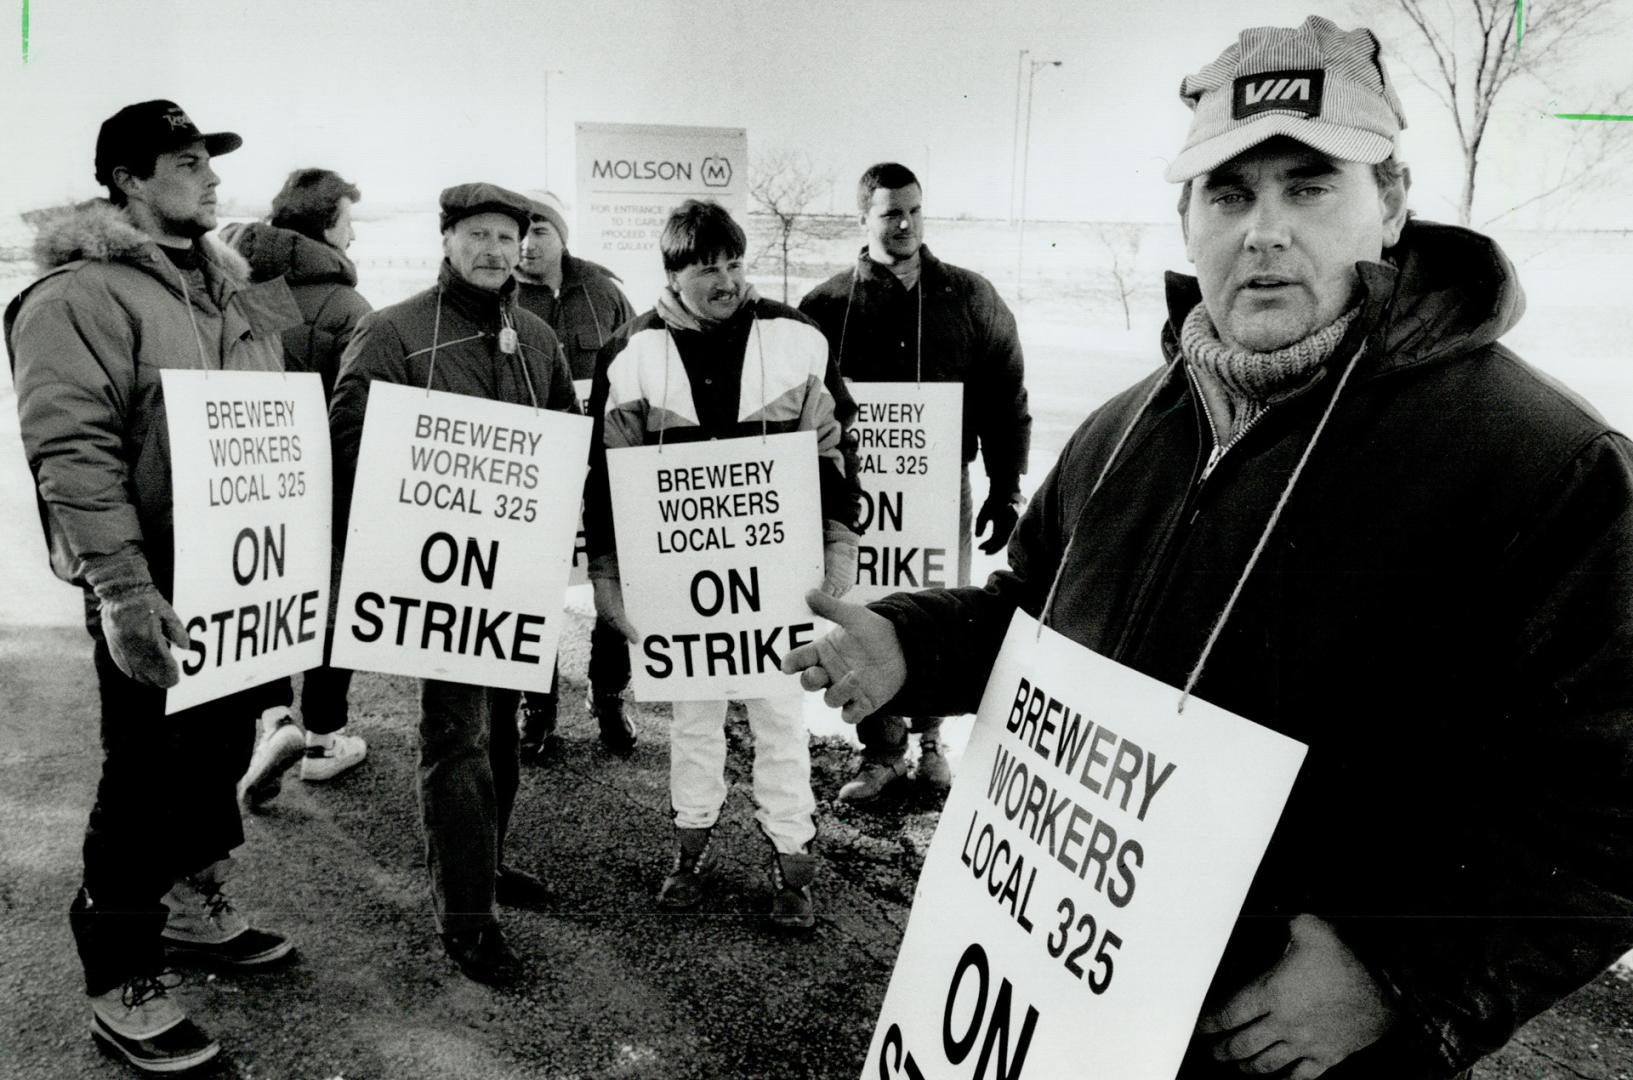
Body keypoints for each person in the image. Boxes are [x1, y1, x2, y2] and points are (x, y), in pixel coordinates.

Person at [786, 16, 1633, 1079]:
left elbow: (1603, 810)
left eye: (1309, 184)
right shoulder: (1124, 427)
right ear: (1186, 219)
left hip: (1282, 1053)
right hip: (1062, 1013)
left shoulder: (1545, 468)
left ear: (1394, 201)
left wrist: (1398, 970)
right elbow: (1038, 617)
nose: (1264, 231)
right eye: (1229, 193)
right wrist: (913, 644)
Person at [5, 99, 300, 1074]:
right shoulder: (79, 296)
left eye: (210, 162)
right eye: (187, 161)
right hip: (156, 578)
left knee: (215, 749)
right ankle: (120, 972)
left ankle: (187, 901)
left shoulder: (221, 292)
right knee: (144, 771)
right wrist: (124, 592)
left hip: (236, 572)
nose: (211, 179)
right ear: (129, 179)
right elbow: (73, 452)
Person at [582, 199, 862, 932]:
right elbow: (605, 474)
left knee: (779, 716)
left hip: (777, 574)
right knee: (695, 719)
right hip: (680, 583)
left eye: (735, 264)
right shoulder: (630, 350)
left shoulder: (796, 336)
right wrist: (610, 575)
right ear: (673, 272)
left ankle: (792, 863)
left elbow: (835, 448)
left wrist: (837, 542)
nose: (727, 281)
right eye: (708, 268)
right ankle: (689, 849)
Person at [329, 182, 577, 984]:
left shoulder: (535, 336)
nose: (494, 251)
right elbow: (349, 444)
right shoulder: (394, 329)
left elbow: (566, 443)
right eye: (476, 234)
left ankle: (487, 861)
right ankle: (465, 915)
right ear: (446, 240)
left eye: (508, 237)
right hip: (436, 575)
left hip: (515, 571)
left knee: (500, 730)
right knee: (456, 735)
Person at [799, 162, 1030, 803]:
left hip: (940, 485)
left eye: (914, 211)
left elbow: (1006, 397)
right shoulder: (825, 306)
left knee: (937, 598)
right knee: (868, 605)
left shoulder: (969, 296)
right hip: (859, 492)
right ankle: (880, 752)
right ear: (863, 218)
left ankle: (933, 746)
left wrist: (1005, 486)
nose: (903, 224)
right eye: (889, 213)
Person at [224, 168, 371, 807]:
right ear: (325, 226)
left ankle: (273, 716)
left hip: (251, 472)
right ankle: (324, 738)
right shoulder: (345, 306)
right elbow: (357, 406)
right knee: (333, 601)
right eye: (347, 218)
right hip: (328, 479)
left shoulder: (241, 287)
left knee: (265, 596)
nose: (355, 231)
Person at [511, 190, 637, 760]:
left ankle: (609, 692)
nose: (528, 244)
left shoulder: (604, 293)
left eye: (541, 231)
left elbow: (638, 367)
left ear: (562, 236)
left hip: (604, 466)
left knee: (616, 576)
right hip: (536, 464)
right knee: (534, 584)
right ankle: (536, 700)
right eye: (522, 232)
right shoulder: (501, 298)